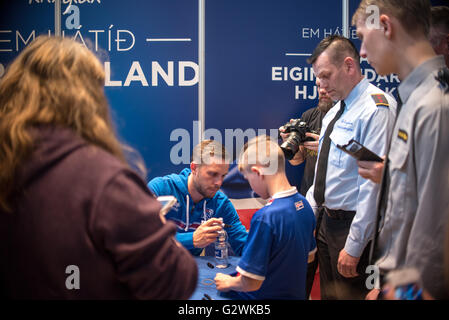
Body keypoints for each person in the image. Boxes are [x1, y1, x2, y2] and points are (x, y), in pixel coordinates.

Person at [0, 36, 197, 299]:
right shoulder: (102, 180)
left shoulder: (10, 164)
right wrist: (155, 224)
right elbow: (173, 282)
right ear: (87, 100)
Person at [353, 0, 449, 300]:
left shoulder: (435, 107)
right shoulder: (415, 99)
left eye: (362, 38)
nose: (362, 53)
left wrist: (397, 292)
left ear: (385, 26)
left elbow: (436, 239)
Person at [304, 35, 396, 299]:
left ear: (349, 66)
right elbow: (324, 175)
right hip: (325, 224)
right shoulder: (333, 112)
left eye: (325, 76)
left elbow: (372, 187)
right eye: (317, 79)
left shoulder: (376, 109)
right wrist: (308, 218)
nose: (320, 85)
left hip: (355, 229)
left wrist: (355, 246)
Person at [214, 135, 316, 299]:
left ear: (257, 172)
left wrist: (228, 282)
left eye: (248, 179)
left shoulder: (266, 217)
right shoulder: (304, 205)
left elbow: (251, 282)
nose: (251, 187)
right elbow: (309, 256)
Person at [280, 78, 333, 298]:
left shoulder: (347, 118)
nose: (321, 91)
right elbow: (297, 161)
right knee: (301, 275)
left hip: (335, 210)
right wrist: (290, 143)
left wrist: (326, 146)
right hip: (308, 207)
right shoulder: (310, 116)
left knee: (332, 277)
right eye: (318, 86)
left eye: (326, 87)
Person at [147, 140, 248, 256]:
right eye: (212, 174)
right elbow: (142, 236)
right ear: (194, 168)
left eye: (223, 176)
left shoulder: (220, 203)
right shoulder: (160, 189)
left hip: (192, 269)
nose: (219, 183)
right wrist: (191, 239)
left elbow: (243, 245)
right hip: (154, 267)